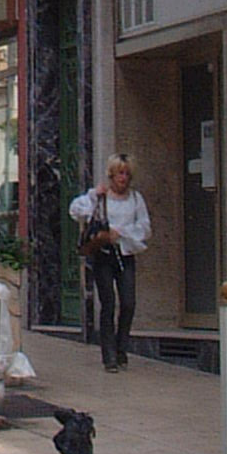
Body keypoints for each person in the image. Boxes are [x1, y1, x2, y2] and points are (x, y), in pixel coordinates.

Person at [70, 154, 152, 373]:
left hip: (124, 253)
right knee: (108, 303)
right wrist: (94, 196)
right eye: (119, 173)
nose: (122, 178)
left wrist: (122, 233)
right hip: (103, 254)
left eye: (126, 173)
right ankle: (109, 356)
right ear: (111, 175)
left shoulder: (135, 199)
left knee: (128, 303)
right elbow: (76, 210)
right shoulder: (101, 196)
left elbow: (145, 228)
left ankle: (121, 347)